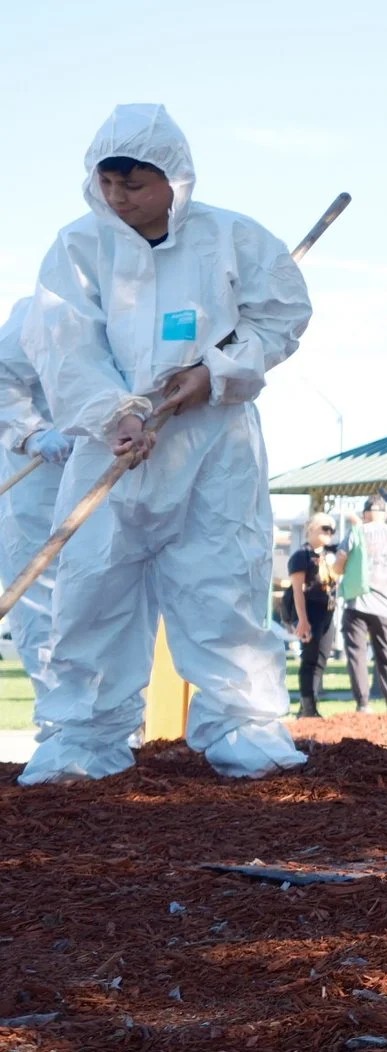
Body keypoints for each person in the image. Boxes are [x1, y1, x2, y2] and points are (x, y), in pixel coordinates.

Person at [21, 105, 311, 784]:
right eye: (110, 184)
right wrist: (113, 412)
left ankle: (243, 723)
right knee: (93, 589)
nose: (121, 199)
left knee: (222, 582)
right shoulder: (76, 248)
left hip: (213, 448)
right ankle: (82, 737)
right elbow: (62, 344)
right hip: (112, 448)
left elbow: (281, 318)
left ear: (174, 180)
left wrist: (215, 372)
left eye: (137, 184)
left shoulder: (233, 239)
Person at [0, 300, 72, 682]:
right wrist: (31, 432)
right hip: (39, 481)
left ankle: (119, 729)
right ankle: (60, 726)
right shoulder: (48, 309)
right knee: (42, 606)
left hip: (118, 474)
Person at [337, 499, 387, 712]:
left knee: (357, 654)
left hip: (358, 600)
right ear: (385, 514)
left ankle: (363, 703)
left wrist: (338, 570)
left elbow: (340, 562)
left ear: (365, 513)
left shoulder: (358, 531)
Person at [287, 518, 338, 718]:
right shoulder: (302, 556)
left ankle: (310, 704)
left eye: (332, 529)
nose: (329, 532)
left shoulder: (331, 553)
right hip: (310, 610)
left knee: (321, 658)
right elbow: (297, 590)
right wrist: (302, 619)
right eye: (325, 528)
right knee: (309, 658)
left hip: (328, 611)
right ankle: (307, 706)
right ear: (311, 529)